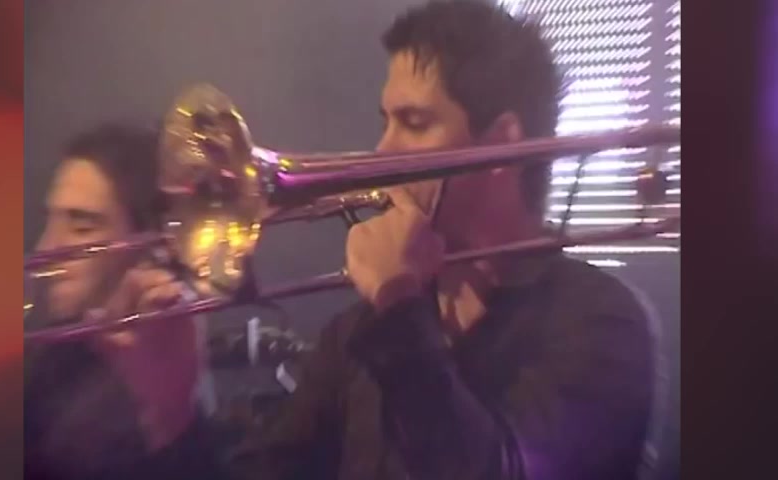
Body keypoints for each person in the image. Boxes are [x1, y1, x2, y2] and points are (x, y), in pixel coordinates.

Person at [217, 1, 663, 479]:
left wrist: (397, 308)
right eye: (386, 122)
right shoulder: (357, 330)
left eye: (414, 122)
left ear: (502, 146)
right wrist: (173, 414)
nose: (381, 150)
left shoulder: (603, 321)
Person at [23, 125, 233, 480]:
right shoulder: (54, 351)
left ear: (149, 242)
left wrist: (166, 416)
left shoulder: (163, 371)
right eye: (52, 220)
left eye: (82, 227)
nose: (46, 248)